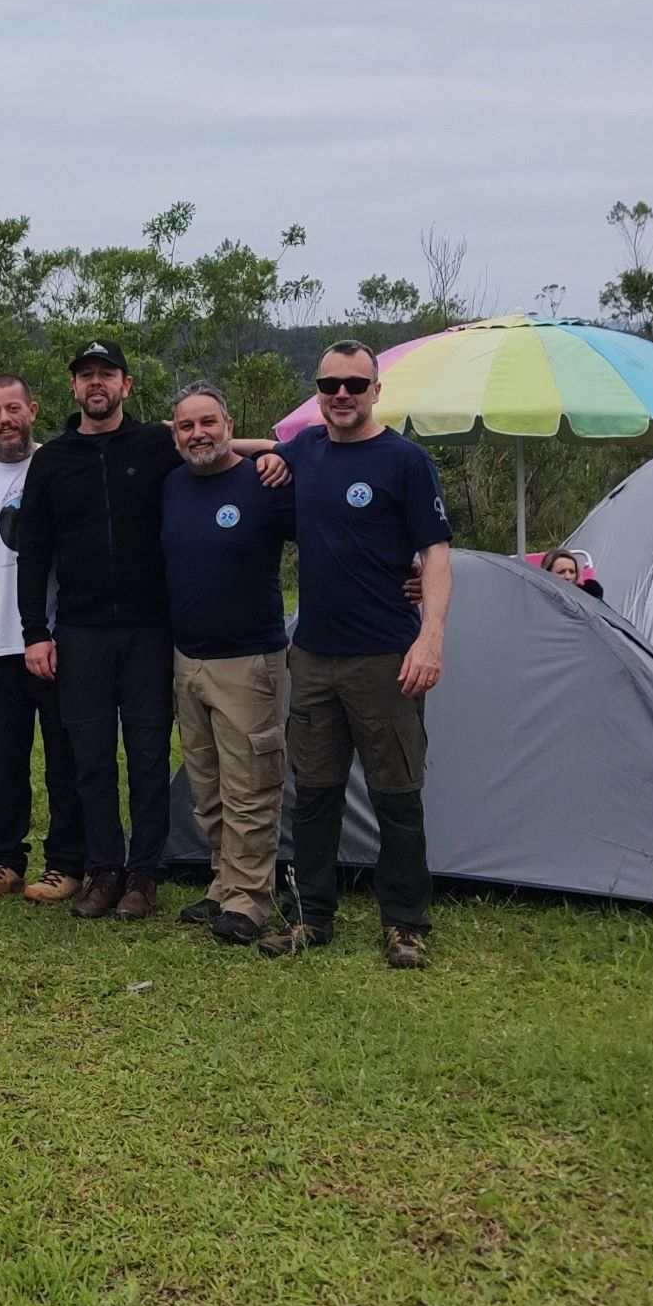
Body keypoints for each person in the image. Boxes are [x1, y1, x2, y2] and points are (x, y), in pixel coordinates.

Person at [18, 339, 288, 922]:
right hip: (80, 631)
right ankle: (103, 870)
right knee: (89, 757)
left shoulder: (155, 446)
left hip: (151, 631)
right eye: (86, 375)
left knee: (146, 756)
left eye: (107, 374)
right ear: (74, 388)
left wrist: (274, 451)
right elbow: (33, 552)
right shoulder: (53, 460)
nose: (97, 384)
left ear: (126, 385)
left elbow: (209, 449)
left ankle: (144, 874)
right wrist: (35, 630)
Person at [262, 339, 452, 970]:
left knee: (398, 794)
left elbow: (437, 555)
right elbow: (236, 450)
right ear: (317, 391)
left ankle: (404, 924)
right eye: (328, 384)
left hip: (386, 658)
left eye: (354, 384)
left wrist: (430, 636)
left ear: (377, 390)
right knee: (313, 793)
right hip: (313, 656)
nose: (341, 394)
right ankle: (312, 916)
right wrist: (203, 445)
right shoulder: (306, 451)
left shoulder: (405, 461)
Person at [161, 381, 297, 946]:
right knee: (207, 784)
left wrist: (272, 454)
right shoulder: (171, 486)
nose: (199, 434)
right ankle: (224, 884)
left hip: (249, 661)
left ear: (228, 423)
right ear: (175, 434)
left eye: (208, 423)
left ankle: (250, 899)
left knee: (251, 786)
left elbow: (327, 521)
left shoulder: (265, 482)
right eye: (187, 426)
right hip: (187, 659)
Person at [0, 375, 83, 903]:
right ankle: (5, 859)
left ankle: (66, 863)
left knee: (64, 756)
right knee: (1, 760)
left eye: (14, 409)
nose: (6, 419)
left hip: (57, 638)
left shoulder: (60, 463)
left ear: (33, 410)